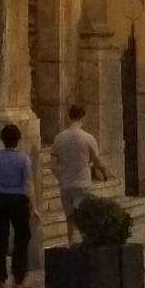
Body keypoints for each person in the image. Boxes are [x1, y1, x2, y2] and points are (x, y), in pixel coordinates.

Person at [0, 122, 34, 288]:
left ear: (3, 139)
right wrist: (31, 204)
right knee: (22, 237)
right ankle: (18, 274)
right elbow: (28, 183)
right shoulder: (24, 158)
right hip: (18, 200)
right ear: (18, 139)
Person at [49, 103, 107, 244]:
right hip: (82, 184)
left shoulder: (59, 138)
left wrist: (61, 178)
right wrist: (104, 174)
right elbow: (97, 161)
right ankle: (84, 246)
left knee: (70, 220)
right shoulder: (88, 138)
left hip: (66, 185)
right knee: (84, 218)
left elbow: (53, 166)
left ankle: (72, 246)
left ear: (69, 117)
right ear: (83, 118)